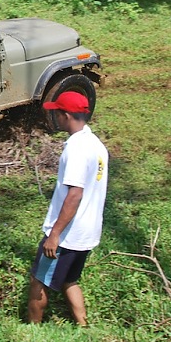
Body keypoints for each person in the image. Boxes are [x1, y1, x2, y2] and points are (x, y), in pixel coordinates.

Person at [27, 91, 109, 326]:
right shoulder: (96, 144)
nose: (54, 117)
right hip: (87, 232)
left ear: (65, 115)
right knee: (69, 280)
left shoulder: (76, 148)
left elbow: (75, 194)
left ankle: (32, 333)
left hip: (67, 235)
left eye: (56, 112)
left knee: (38, 282)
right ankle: (84, 328)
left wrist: (55, 235)